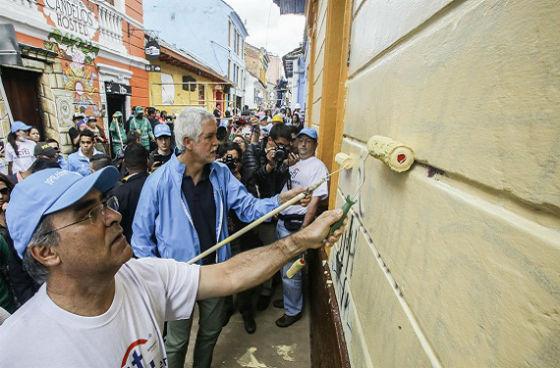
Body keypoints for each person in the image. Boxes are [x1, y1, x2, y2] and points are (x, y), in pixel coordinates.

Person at [0, 165, 344, 367]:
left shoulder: (142, 276)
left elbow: (228, 274)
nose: (114, 216)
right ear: (45, 252)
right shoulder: (19, 352)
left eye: (104, 204)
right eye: (89, 214)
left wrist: (298, 241)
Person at [132, 107, 310, 368]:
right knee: (177, 342)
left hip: (217, 271)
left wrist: (278, 201)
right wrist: (157, 280)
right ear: (188, 143)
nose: (217, 143)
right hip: (177, 278)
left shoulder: (221, 174)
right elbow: (140, 239)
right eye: (210, 137)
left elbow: (249, 208)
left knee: (210, 333)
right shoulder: (158, 182)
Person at [275, 127, 328, 327]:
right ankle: (290, 299)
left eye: (309, 141)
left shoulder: (318, 167)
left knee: (292, 271)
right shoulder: (293, 162)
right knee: (283, 266)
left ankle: (293, 310)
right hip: (282, 221)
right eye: (301, 140)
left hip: (296, 225)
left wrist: (304, 228)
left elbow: (315, 201)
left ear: (315, 144)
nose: (304, 144)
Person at [110, 143, 149, 243]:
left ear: (125, 163)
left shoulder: (119, 193)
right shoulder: (160, 185)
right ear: (147, 161)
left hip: (131, 247)